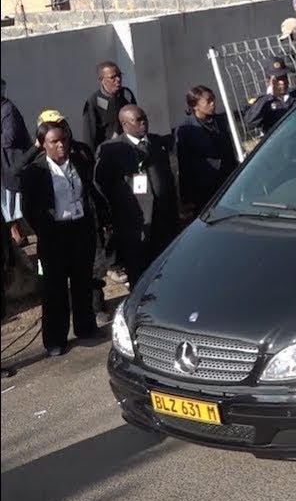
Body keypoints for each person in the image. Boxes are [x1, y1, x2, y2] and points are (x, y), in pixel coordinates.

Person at [20, 120, 103, 356]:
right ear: (43, 145)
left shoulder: (79, 162)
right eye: (54, 142)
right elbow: (28, 210)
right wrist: (44, 228)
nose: (61, 146)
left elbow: (89, 192)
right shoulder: (35, 173)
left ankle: (85, 327)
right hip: (54, 235)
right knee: (55, 289)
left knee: (82, 282)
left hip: (80, 230)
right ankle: (55, 339)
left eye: (63, 139)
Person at [94, 106, 179, 288]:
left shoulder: (156, 143)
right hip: (134, 225)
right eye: (137, 119)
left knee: (166, 271)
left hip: (163, 220)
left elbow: (169, 179)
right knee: (140, 275)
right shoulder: (111, 149)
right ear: (124, 124)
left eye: (145, 118)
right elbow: (101, 185)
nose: (143, 122)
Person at [174, 86, 236, 216]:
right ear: (195, 105)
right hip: (204, 187)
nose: (213, 104)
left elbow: (229, 149)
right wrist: (187, 198)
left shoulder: (220, 121)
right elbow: (184, 164)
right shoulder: (186, 129)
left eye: (213, 100)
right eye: (208, 101)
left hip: (228, 180)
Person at [1, 79, 31, 247]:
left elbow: (8, 139)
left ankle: (17, 233)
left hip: (11, 162)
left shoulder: (7, 109)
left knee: (12, 198)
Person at [82, 61, 137, 151]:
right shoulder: (93, 102)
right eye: (113, 77)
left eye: (119, 75)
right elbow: (89, 137)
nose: (118, 79)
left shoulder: (127, 95)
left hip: (130, 149)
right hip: (109, 152)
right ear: (102, 80)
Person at [243, 57, 296, 135]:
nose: (282, 82)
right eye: (278, 79)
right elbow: (249, 122)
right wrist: (270, 97)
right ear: (268, 81)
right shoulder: (260, 102)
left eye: (284, 77)